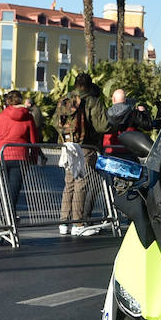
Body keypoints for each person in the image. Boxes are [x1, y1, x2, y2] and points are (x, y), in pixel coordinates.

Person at [55, 72, 110, 236]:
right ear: (89, 84)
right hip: (86, 146)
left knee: (69, 183)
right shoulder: (93, 101)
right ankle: (78, 224)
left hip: (68, 145)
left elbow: (55, 122)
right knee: (81, 184)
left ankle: (64, 222)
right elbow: (102, 126)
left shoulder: (66, 99)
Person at [0, 90, 41, 219]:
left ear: (7, 101)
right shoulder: (28, 117)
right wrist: (34, 157)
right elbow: (33, 140)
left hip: (2, 155)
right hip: (21, 156)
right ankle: (10, 214)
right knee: (15, 189)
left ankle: (8, 215)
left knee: (4, 188)